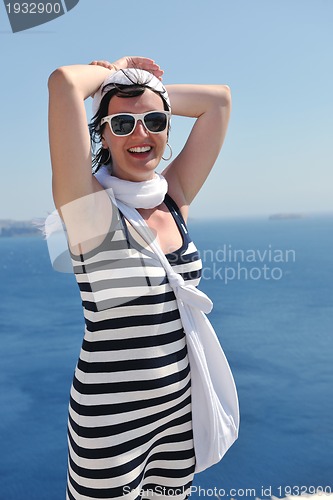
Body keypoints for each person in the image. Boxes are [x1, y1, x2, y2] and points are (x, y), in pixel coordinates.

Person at [48, 55, 232, 500]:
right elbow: (63, 84)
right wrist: (115, 72)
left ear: (167, 128)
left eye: (153, 120)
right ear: (103, 134)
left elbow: (219, 102)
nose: (141, 133)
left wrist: (146, 86)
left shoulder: (174, 198)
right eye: (122, 124)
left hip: (178, 414)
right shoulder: (89, 210)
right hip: (110, 425)